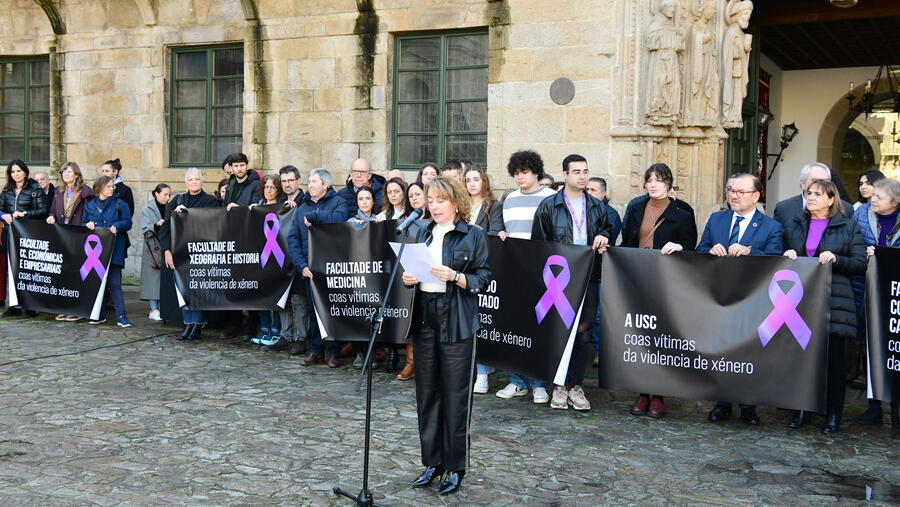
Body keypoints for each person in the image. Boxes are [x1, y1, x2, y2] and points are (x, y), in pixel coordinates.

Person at [402, 176, 491, 496]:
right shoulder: (420, 232)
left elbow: (484, 278)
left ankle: (455, 467)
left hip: (456, 318)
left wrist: (456, 276)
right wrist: (408, 279)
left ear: (456, 202)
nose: (435, 206)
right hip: (425, 315)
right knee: (427, 393)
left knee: (455, 395)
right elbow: (410, 273)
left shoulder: (473, 235)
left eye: (441, 200)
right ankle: (433, 462)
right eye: (431, 200)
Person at [698, 173, 784, 425]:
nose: (733, 195)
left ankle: (749, 406)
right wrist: (709, 250)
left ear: (756, 196)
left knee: (749, 354)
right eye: (730, 190)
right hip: (720, 297)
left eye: (740, 191)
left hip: (753, 299)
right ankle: (722, 402)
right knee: (722, 351)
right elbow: (699, 250)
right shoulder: (717, 220)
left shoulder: (771, 226)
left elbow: (775, 259)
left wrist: (750, 251)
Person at [782, 179, 866, 434]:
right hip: (800, 301)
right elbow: (784, 253)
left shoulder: (847, 225)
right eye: (809, 193)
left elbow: (860, 263)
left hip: (834, 301)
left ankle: (833, 414)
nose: (811, 197)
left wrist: (837, 259)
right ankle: (802, 409)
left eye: (818, 194)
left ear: (831, 199)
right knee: (802, 359)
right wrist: (788, 255)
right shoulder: (797, 223)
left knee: (833, 362)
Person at [532, 154, 611, 412]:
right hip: (559, 281)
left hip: (588, 277)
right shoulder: (549, 206)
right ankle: (559, 386)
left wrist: (603, 236)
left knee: (583, 333)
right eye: (576, 171)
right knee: (558, 332)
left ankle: (576, 385)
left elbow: (607, 229)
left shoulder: (597, 206)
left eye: (585, 171)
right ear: (565, 174)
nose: (582, 176)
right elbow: (539, 244)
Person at [621, 162, 697, 418]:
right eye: (649, 179)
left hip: (667, 281)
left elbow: (691, 246)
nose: (653, 184)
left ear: (669, 183)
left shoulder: (683, 211)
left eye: (659, 180)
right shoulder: (636, 208)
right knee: (640, 335)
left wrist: (679, 247)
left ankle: (659, 394)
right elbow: (627, 242)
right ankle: (643, 392)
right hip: (639, 278)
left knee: (662, 335)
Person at [495, 150, 557, 403]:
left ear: (536, 172)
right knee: (515, 328)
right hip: (515, 273)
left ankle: (540, 383)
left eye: (525, 172)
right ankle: (517, 381)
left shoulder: (551, 198)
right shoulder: (509, 199)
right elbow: (508, 232)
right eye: (516, 173)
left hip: (544, 274)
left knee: (540, 329)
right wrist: (502, 236)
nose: (520, 177)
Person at [288, 168, 351, 367]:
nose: (310, 185)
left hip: (332, 267)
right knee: (313, 311)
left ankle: (334, 352)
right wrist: (301, 265)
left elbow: (341, 219)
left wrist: (315, 215)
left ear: (326, 184)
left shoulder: (338, 202)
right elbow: (293, 239)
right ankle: (316, 350)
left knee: (332, 311)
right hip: (310, 270)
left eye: (314, 181)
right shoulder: (301, 208)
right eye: (309, 181)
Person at [853, 177, 900, 428]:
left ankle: (896, 407)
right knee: (869, 346)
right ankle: (874, 407)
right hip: (865, 289)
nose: (873, 200)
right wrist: (866, 255)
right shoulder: (861, 214)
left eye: (879, 197)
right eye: (873, 195)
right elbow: (851, 242)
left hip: (895, 294)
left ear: (895, 201)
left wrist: (885, 255)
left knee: (895, 348)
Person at [160, 168, 221, 340]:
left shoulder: (210, 201)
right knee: (183, 288)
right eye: (191, 179)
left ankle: (198, 324)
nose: (194, 182)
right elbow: (166, 227)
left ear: (202, 181)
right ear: (186, 182)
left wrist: (188, 215)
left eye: (197, 179)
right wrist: (166, 250)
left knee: (198, 289)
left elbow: (213, 224)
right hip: (180, 252)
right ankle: (188, 322)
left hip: (201, 251)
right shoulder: (177, 200)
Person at [46, 162, 96, 321]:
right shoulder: (58, 191)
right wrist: (51, 217)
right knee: (63, 273)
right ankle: (64, 306)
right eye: (63, 171)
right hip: (62, 237)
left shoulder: (86, 192)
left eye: (69, 171)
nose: (66, 174)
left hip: (79, 236)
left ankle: (76, 309)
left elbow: (90, 213)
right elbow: (52, 210)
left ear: (77, 174)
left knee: (77, 273)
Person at [1, 160, 50, 318]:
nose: (16, 174)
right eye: (13, 171)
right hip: (10, 233)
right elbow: (0, 209)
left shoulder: (35, 188)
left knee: (27, 269)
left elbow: (44, 210)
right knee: (11, 268)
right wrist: (3, 215)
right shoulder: (7, 190)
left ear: (25, 172)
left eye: (19, 171)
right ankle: (13, 305)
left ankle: (30, 307)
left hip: (28, 234)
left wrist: (25, 214)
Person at [83, 176, 133, 327]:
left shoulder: (120, 204)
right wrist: (88, 225)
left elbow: (128, 222)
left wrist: (117, 226)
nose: (112, 188)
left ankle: (122, 316)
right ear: (99, 188)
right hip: (96, 251)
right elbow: (83, 223)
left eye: (113, 186)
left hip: (115, 248)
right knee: (98, 283)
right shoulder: (90, 205)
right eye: (108, 186)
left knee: (115, 283)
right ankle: (98, 315)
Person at [249, 175, 285, 347]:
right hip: (260, 256)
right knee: (261, 294)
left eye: (273, 187)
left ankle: (276, 330)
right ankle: (264, 328)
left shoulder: (283, 208)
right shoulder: (258, 206)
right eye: (266, 187)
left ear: (278, 190)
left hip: (277, 257)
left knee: (275, 294)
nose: (269, 190)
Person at [773, 162, 852, 226]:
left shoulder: (845, 209)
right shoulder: (783, 209)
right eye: (815, 181)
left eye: (825, 181)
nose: (820, 185)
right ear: (803, 184)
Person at [139, 183, 170, 322]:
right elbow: (145, 229)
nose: (167, 198)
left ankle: (162, 308)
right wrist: (156, 225)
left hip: (166, 246)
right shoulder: (147, 209)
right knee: (152, 279)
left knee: (163, 279)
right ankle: (153, 309)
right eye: (165, 195)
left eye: (169, 195)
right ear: (157, 194)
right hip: (152, 248)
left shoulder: (170, 207)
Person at [465, 165, 504, 235]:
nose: (472, 184)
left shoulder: (495, 206)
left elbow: (495, 234)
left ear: (484, 182)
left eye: (476, 180)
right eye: (468, 181)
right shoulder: (460, 205)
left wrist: (478, 232)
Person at [586, 177, 622, 244]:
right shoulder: (581, 209)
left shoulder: (611, 214)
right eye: (587, 189)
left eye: (593, 190)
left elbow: (608, 239)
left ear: (603, 193)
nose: (588, 192)